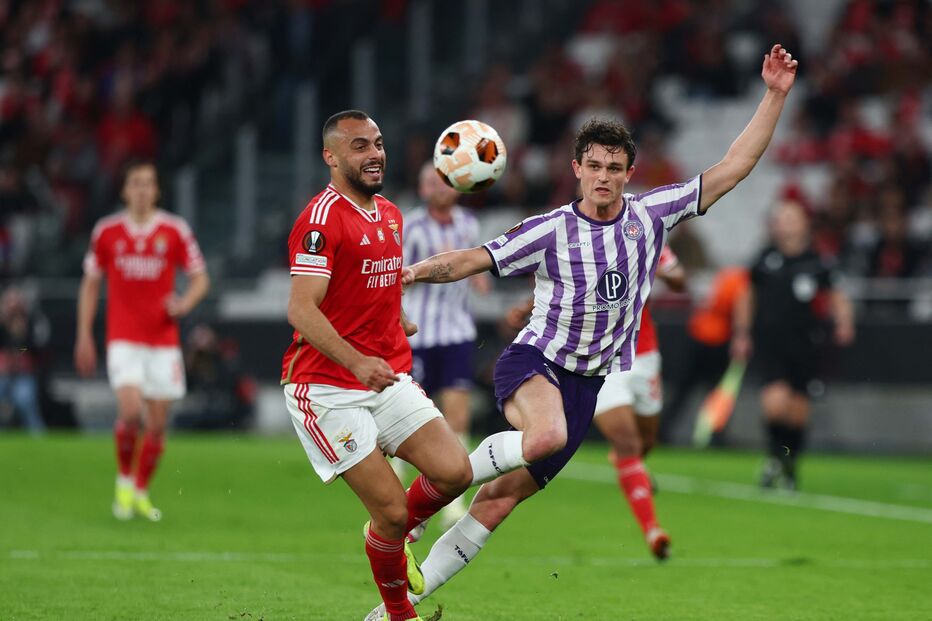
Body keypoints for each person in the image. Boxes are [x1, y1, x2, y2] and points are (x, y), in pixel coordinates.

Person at [367, 43, 801, 614]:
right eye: (593, 166)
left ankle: (393, 608)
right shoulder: (549, 229)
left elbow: (733, 168)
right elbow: (474, 258)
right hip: (534, 362)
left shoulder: (653, 215)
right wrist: (412, 274)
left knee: (496, 504)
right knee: (541, 438)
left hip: (587, 385)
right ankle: (412, 508)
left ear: (629, 173)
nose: (603, 177)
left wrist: (773, 94)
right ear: (576, 169)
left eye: (614, 168)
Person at [280, 110, 473, 621]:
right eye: (360, 146)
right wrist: (356, 359)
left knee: (456, 471)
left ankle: (386, 538)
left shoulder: (389, 212)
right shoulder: (320, 221)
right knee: (390, 510)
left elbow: (374, 281)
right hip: (324, 387)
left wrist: (400, 317)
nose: (375, 155)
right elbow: (301, 308)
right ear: (332, 157)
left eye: (379, 144)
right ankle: (396, 613)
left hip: (385, 376)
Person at [506, 246, 685, 561]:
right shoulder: (578, 239)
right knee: (627, 442)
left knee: (645, 443)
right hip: (600, 360)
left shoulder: (645, 230)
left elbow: (680, 278)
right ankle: (653, 530)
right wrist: (527, 306)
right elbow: (563, 287)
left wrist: (668, 274)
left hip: (643, 356)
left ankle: (628, 465)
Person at [74, 160, 210, 521]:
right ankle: (123, 479)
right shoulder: (107, 232)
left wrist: (183, 303)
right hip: (123, 338)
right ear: (124, 190)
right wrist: (84, 334)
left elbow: (200, 278)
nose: (141, 190)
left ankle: (140, 490)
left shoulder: (174, 229)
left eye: (148, 183)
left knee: (158, 423)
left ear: (157, 190)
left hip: (163, 340)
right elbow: (90, 283)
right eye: (135, 183)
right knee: (132, 411)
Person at [731, 199, 854, 490]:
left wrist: (844, 322)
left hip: (807, 344)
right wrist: (742, 333)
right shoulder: (764, 259)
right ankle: (774, 457)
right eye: (782, 218)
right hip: (771, 343)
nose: (786, 223)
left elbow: (837, 295)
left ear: (804, 224)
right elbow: (747, 296)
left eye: (792, 218)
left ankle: (789, 463)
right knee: (775, 404)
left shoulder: (818, 261)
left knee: (798, 411)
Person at [398, 162, 491, 530]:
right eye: (430, 182)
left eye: (444, 182)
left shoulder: (468, 224)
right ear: (421, 190)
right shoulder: (410, 226)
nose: (439, 188)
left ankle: (453, 501)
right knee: (408, 420)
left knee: (458, 415)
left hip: (456, 333)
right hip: (417, 336)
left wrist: (480, 282)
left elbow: (476, 273)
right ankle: (400, 493)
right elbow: (395, 275)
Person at [659, 265, 750, 443]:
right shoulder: (741, 281)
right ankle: (713, 435)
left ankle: (664, 430)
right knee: (715, 392)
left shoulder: (725, 276)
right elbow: (741, 307)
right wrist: (741, 335)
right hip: (715, 340)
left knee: (684, 390)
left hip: (697, 335)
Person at [0, 286, 51, 434]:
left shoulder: (33, 323)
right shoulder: (2, 325)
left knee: (25, 401)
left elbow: (31, 349)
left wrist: (20, 339)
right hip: (3, 375)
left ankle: (38, 436)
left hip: (24, 375)